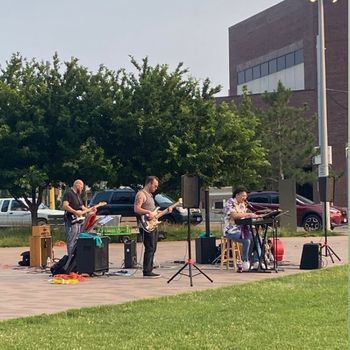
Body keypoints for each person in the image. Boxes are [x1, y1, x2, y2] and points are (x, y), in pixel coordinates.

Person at [134, 176, 172, 278]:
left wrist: (165, 211)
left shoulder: (150, 195)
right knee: (149, 247)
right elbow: (137, 208)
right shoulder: (141, 194)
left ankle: (149, 268)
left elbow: (154, 212)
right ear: (149, 183)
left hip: (153, 224)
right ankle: (147, 271)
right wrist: (147, 212)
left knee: (153, 247)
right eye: (154, 186)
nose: (155, 188)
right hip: (146, 224)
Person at [223, 185, 261, 270]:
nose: (244, 198)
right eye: (243, 196)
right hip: (231, 231)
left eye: (245, 196)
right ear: (237, 195)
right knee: (246, 239)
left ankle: (256, 261)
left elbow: (244, 217)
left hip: (243, 229)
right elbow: (234, 215)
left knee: (258, 239)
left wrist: (255, 216)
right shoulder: (230, 202)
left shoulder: (243, 204)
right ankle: (245, 261)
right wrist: (248, 214)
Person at [62, 179, 94, 258]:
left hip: (78, 221)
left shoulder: (78, 196)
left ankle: (76, 258)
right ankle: (70, 259)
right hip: (71, 220)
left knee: (77, 240)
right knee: (71, 240)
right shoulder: (69, 193)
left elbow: (82, 208)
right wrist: (75, 212)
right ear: (77, 185)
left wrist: (91, 209)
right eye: (82, 187)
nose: (82, 189)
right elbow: (65, 205)